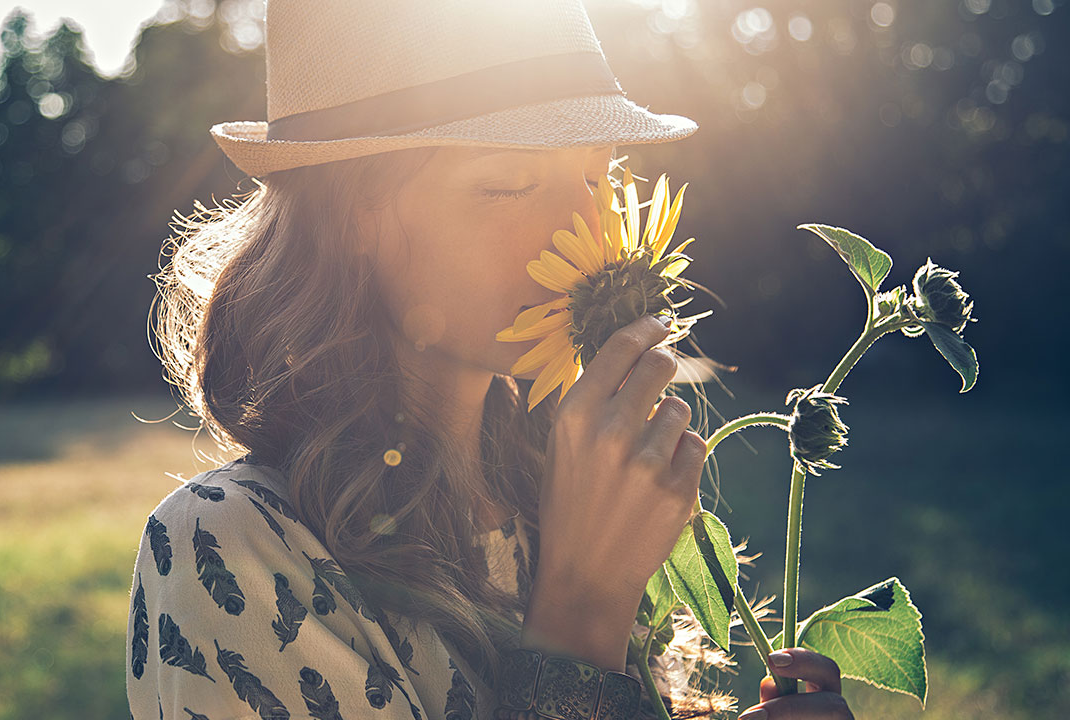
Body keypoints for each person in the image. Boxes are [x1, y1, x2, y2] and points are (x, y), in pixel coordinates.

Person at [128, 2, 856, 719]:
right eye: (506, 185)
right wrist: (583, 607)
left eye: (601, 178)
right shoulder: (229, 550)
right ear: (351, 212)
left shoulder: (561, 487)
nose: (590, 230)